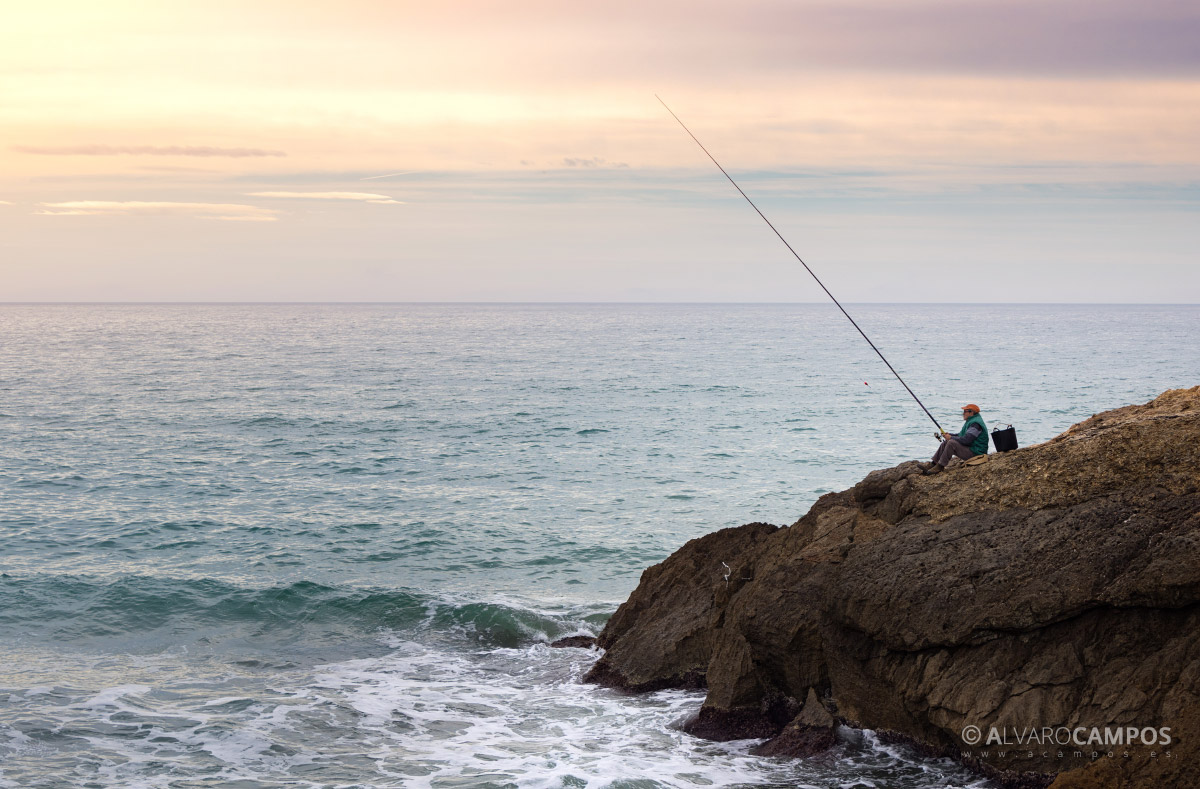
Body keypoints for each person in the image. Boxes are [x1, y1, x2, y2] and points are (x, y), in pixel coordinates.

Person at [925, 404, 988, 474]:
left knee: (951, 443)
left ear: (971, 412)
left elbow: (967, 440)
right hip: (972, 449)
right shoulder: (971, 421)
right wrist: (949, 435)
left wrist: (951, 437)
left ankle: (940, 466)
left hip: (976, 453)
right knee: (947, 442)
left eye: (965, 411)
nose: (963, 413)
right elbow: (961, 435)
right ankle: (933, 464)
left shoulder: (975, 424)